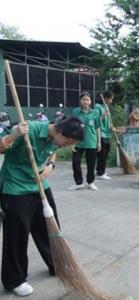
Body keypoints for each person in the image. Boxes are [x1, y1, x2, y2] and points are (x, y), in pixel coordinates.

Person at [0, 117, 84, 297]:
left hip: (39, 184)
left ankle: (57, 264)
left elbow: (53, 150)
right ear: (60, 131)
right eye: (67, 142)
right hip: (15, 187)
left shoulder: (56, 139)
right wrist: (15, 135)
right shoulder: (28, 129)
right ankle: (15, 280)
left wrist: (50, 166)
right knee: (17, 234)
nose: (66, 146)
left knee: (50, 228)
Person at [68, 92, 101, 191]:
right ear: (80, 101)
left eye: (87, 100)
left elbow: (98, 128)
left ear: (90, 102)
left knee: (91, 164)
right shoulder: (76, 112)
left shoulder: (95, 113)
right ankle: (78, 183)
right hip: (78, 142)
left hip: (91, 142)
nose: (85, 101)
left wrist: (99, 142)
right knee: (76, 162)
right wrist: (72, 141)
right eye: (84, 99)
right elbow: (73, 128)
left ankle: (90, 182)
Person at [94, 91, 114, 180]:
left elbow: (108, 122)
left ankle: (100, 169)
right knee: (102, 154)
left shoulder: (106, 107)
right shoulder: (97, 107)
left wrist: (112, 127)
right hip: (101, 133)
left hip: (107, 134)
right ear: (106, 98)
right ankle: (101, 172)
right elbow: (96, 120)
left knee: (105, 154)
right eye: (111, 99)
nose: (111, 101)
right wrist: (103, 114)